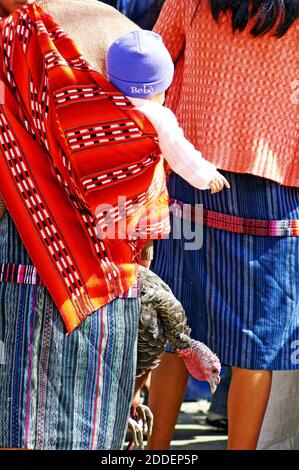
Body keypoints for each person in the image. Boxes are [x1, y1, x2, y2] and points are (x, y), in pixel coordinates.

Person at [0, 0, 164, 450]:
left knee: (21, 421)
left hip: (26, 262)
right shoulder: (122, 30)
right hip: (112, 276)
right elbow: (151, 157)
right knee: (96, 427)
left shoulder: (13, 36)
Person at [148, 0, 299, 450]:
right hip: (273, 183)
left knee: (177, 324)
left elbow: (155, 59)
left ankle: (155, 449)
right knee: (258, 339)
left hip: (190, 173)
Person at [106, 30, 230, 194]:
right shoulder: (158, 116)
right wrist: (206, 175)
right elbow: (178, 151)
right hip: (136, 191)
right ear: (160, 88)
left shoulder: (103, 102)